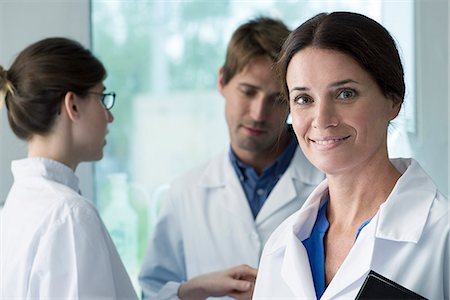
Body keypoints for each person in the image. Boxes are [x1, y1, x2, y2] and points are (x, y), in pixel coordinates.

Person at [253, 12, 449, 300]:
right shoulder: (282, 247)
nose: (322, 119)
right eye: (304, 99)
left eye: (345, 94)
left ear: (393, 100)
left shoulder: (442, 235)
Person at [139, 17, 324, 300]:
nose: (258, 113)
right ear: (222, 81)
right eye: (248, 92)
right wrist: (193, 290)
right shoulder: (185, 192)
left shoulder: (328, 182)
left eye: (276, 99)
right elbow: (152, 291)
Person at [0, 37, 138, 299]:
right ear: (72, 105)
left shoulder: (15, 208)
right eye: (103, 97)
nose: (110, 116)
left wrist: (183, 293)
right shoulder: (69, 214)